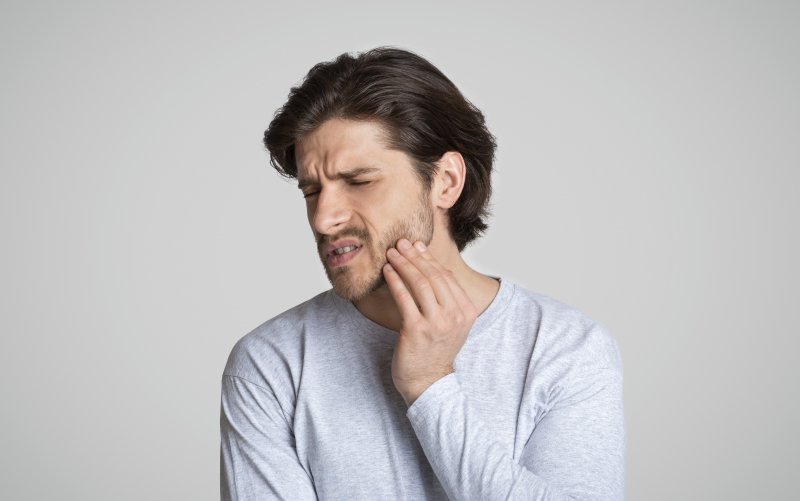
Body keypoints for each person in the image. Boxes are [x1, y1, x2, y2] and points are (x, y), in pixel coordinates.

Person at [220, 47, 625, 500]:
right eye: (312, 190)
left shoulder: (564, 349)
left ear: (446, 181)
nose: (323, 218)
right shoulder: (270, 364)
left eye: (358, 181)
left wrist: (429, 385)